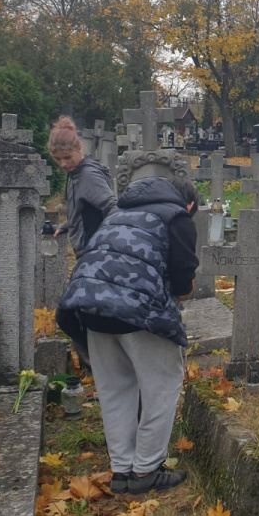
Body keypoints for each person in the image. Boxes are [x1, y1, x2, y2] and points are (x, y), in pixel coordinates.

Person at [56, 176, 199, 495]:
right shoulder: (177, 217)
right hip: (137, 310)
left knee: (115, 390)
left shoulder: (117, 213)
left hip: (90, 306)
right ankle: (146, 470)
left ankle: (121, 471)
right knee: (161, 387)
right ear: (189, 204)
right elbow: (182, 287)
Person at [48, 117, 116, 257]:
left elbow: (113, 208)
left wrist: (102, 246)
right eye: (57, 159)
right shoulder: (76, 173)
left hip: (96, 255)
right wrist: (66, 226)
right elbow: (86, 212)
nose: (63, 164)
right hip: (89, 253)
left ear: (79, 148)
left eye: (67, 157)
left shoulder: (88, 176)